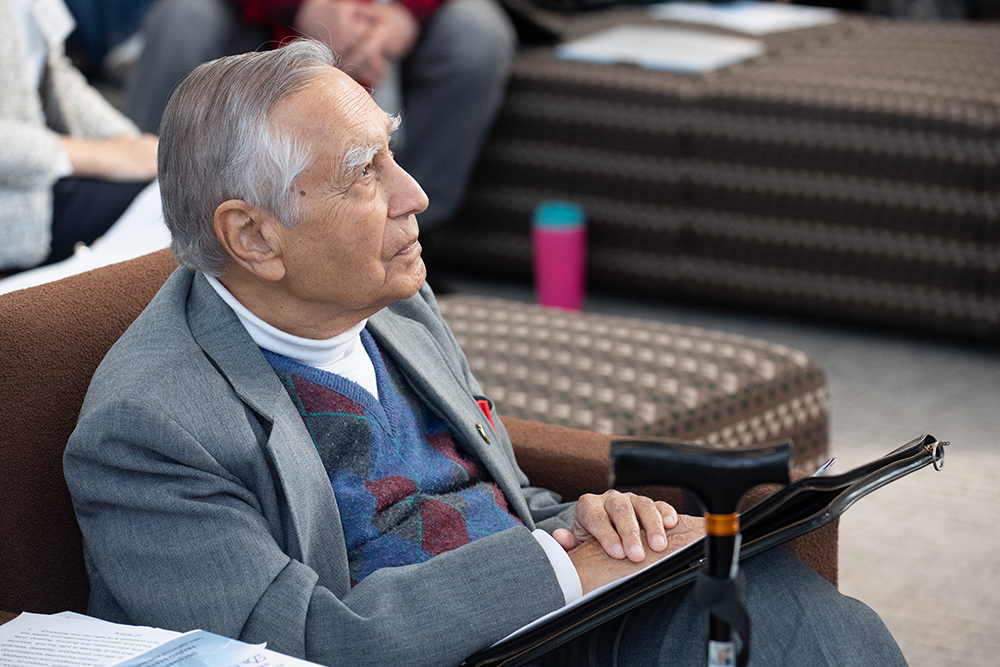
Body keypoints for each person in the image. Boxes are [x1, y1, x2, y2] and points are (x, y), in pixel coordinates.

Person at [64, 40, 908, 667]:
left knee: (784, 612)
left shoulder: (394, 300)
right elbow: (305, 643)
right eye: (365, 173)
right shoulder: (149, 426)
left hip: (547, 614)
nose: (416, 195)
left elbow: (488, 491)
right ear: (251, 235)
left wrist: (582, 519)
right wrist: (561, 561)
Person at [124, 0, 515, 231]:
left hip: (397, 14)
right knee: (183, 17)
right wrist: (301, 7)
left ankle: (405, 231)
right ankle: (143, 212)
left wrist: (403, 15)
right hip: (267, 14)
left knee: (476, 35)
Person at [0, 0, 157, 274]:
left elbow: (57, 72)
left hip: (40, 180)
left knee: (168, 190)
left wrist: (128, 142)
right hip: (16, 212)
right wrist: (107, 158)